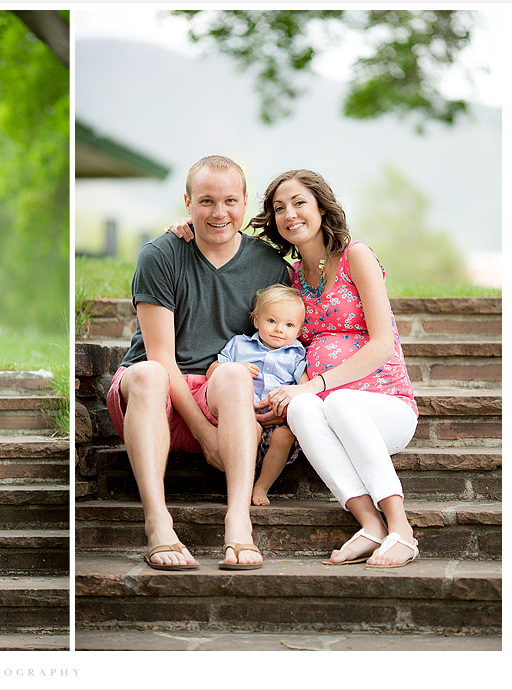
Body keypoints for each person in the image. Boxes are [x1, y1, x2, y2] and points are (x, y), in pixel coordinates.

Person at [168, 168, 419, 568]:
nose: (290, 214)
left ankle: (401, 530)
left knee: (333, 403)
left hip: (384, 405)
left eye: (300, 203)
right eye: (279, 208)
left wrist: (313, 385)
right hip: (326, 408)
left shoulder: (357, 256)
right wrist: (186, 230)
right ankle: (370, 526)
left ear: (322, 206)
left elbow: (383, 345)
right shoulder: (292, 278)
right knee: (302, 409)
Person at [107, 155, 291, 571]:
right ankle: (158, 523)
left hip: (222, 397)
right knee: (151, 374)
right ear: (187, 202)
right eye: (206, 201)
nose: (219, 212)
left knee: (234, 373)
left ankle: (238, 522)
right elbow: (161, 358)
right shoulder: (161, 255)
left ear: (245, 204)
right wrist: (206, 435)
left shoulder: (269, 266)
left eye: (229, 201)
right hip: (154, 397)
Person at [205, 284, 307, 506]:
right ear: (256, 321)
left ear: (298, 332)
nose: (279, 329)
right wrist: (236, 367)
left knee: (285, 436)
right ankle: (244, 480)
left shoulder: (296, 354)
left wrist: (290, 402)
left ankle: (262, 485)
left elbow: (305, 388)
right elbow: (213, 370)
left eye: (289, 325)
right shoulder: (239, 345)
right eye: (272, 321)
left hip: (277, 420)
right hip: (242, 418)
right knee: (251, 429)